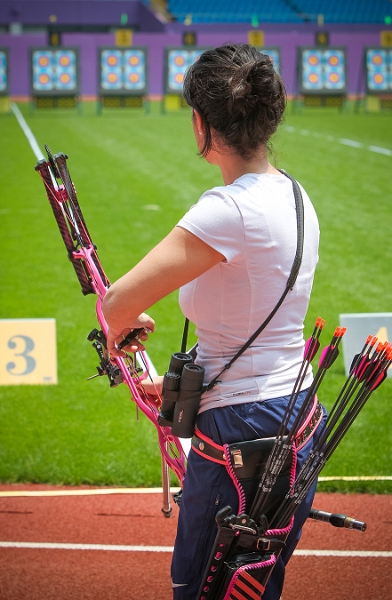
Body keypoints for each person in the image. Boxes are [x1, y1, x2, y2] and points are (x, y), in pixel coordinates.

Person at [102, 43, 325, 600]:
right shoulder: (296, 194)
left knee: (205, 587)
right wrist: (183, 385)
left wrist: (126, 320)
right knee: (250, 584)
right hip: (296, 415)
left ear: (202, 124)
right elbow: (248, 316)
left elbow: (116, 304)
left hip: (240, 432)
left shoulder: (228, 208)